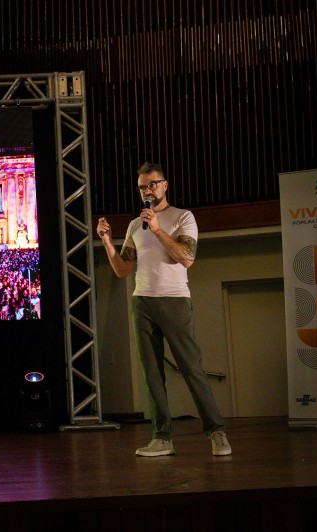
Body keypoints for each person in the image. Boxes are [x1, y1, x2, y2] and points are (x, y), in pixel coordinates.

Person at [96, 162, 231, 457]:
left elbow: (187, 258)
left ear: (165, 185)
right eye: (143, 187)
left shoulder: (183, 217)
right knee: (151, 373)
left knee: (191, 368)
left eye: (153, 185)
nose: (148, 191)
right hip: (142, 300)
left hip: (174, 299)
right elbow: (122, 270)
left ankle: (216, 432)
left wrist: (157, 230)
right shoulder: (135, 225)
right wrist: (106, 241)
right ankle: (162, 438)